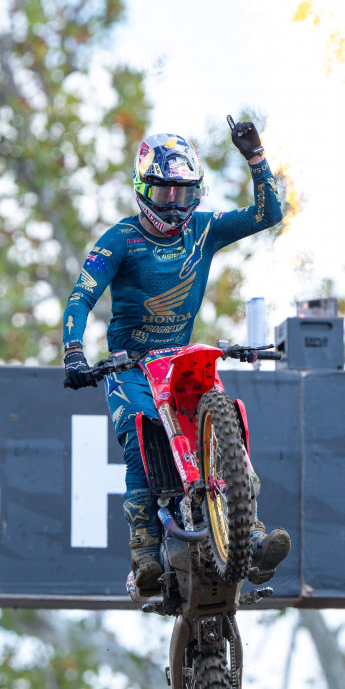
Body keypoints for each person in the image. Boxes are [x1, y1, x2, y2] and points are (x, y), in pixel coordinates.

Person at [62, 117, 292, 596]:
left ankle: (248, 532)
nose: (174, 205)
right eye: (164, 193)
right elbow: (81, 297)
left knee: (230, 422)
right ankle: (144, 553)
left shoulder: (205, 230)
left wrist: (256, 157)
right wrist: (74, 353)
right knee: (140, 439)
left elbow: (267, 214)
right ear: (141, 189)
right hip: (131, 366)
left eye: (184, 194)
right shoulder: (119, 240)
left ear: (197, 193)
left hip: (180, 358)